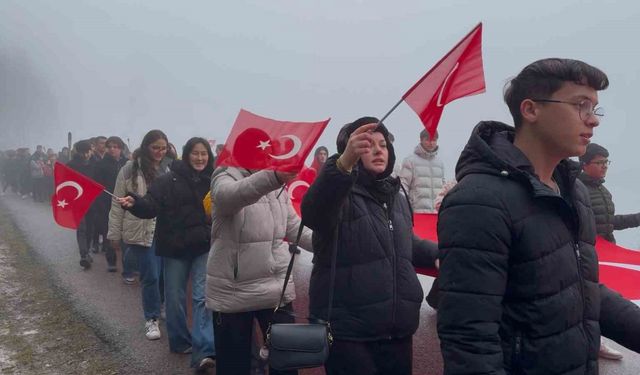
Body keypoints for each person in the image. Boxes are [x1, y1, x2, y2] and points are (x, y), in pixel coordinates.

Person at [436, 58, 640, 375]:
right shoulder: (478, 201)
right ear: (531, 110)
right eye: (580, 105)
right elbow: (469, 340)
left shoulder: (574, 193)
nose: (593, 120)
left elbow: (583, 290)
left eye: (595, 108)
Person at [301, 117, 438, 375]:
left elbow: (403, 242)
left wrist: (438, 254)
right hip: (349, 333)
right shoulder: (338, 193)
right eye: (367, 145)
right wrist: (342, 165)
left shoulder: (396, 196)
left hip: (397, 331)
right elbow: (313, 214)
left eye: (383, 144)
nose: (378, 150)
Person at [206, 150, 312, 375]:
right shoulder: (225, 175)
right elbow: (228, 197)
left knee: (285, 362)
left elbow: (293, 227)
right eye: (259, 149)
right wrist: (274, 177)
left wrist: (330, 243)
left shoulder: (277, 184)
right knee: (235, 366)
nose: (265, 154)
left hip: (276, 288)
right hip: (232, 290)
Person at [118, 137, 216, 372]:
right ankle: (180, 342)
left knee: (202, 298)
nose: (200, 158)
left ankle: (204, 351)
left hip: (203, 246)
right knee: (174, 298)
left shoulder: (215, 180)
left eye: (204, 154)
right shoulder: (167, 180)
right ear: (186, 154)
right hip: (174, 248)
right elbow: (150, 205)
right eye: (195, 153)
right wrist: (136, 203)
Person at [107, 130, 172, 341]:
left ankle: (161, 304)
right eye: (155, 148)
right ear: (146, 147)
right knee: (150, 275)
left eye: (163, 148)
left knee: (164, 275)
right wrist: (114, 233)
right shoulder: (129, 169)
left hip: (166, 229)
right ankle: (151, 318)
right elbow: (117, 203)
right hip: (141, 229)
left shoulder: (169, 168)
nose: (159, 152)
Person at [579, 143, 640, 244]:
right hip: (588, 251)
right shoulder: (576, 189)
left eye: (606, 162)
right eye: (599, 162)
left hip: (607, 249)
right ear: (584, 165)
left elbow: (609, 223)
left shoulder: (604, 191)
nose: (604, 166)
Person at [94, 136, 128, 272]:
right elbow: (98, 185)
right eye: (110, 147)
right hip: (107, 202)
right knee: (110, 232)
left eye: (116, 146)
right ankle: (111, 260)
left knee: (126, 234)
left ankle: (128, 264)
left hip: (126, 201)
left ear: (121, 148)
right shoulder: (102, 165)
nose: (112, 149)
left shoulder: (128, 163)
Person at [399, 129, 445, 213]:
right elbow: (403, 186)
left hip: (436, 214)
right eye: (427, 140)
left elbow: (442, 188)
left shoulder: (440, 163)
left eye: (434, 140)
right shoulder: (410, 161)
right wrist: (405, 209)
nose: (431, 143)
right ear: (421, 140)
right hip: (416, 213)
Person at [66, 140, 95, 269]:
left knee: (89, 227)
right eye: (89, 150)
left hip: (91, 200)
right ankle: (84, 254)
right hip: (78, 200)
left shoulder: (94, 164)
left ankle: (86, 251)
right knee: (82, 228)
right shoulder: (71, 165)